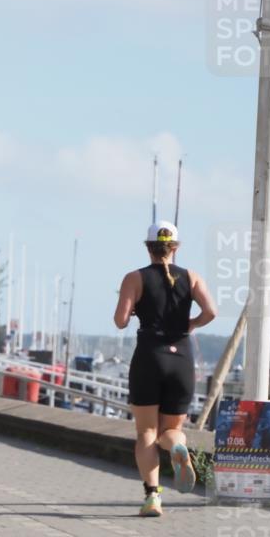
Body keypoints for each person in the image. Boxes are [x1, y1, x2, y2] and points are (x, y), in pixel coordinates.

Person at [114, 221, 216, 517]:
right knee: (171, 430)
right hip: (181, 358)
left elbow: (120, 321)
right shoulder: (192, 277)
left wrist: (132, 308)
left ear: (148, 247)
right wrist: (192, 324)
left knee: (146, 431)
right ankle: (176, 449)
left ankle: (152, 497)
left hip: (149, 356)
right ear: (176, 247)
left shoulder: (135, 278)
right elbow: (211, 311)